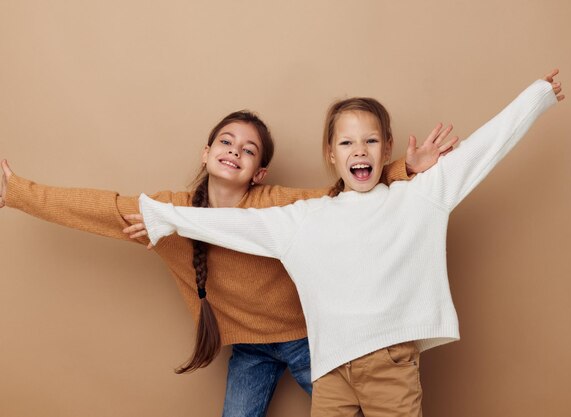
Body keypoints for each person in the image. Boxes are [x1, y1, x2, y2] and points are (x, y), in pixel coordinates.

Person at [132, 70, 564, 416]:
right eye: (347, 142)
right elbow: (234, 226)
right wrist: (162, 217)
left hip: (389, 364)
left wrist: (537, 96)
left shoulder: (418, 197)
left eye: (371, 141)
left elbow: (483, 150)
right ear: (331, 155)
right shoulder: (306, 218)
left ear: (386, 148)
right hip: (330, 369)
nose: (360, 150)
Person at [0, 109, 455, 416]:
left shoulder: (276, 205)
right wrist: (16, 192)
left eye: (249, 149)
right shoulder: (169, 214)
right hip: (249, 349)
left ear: (258, 173)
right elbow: (103, 207)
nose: (235, 150)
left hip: (306, 339)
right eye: (226, 140)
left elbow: (341, 195)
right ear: (206, 153)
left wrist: (404, 170)